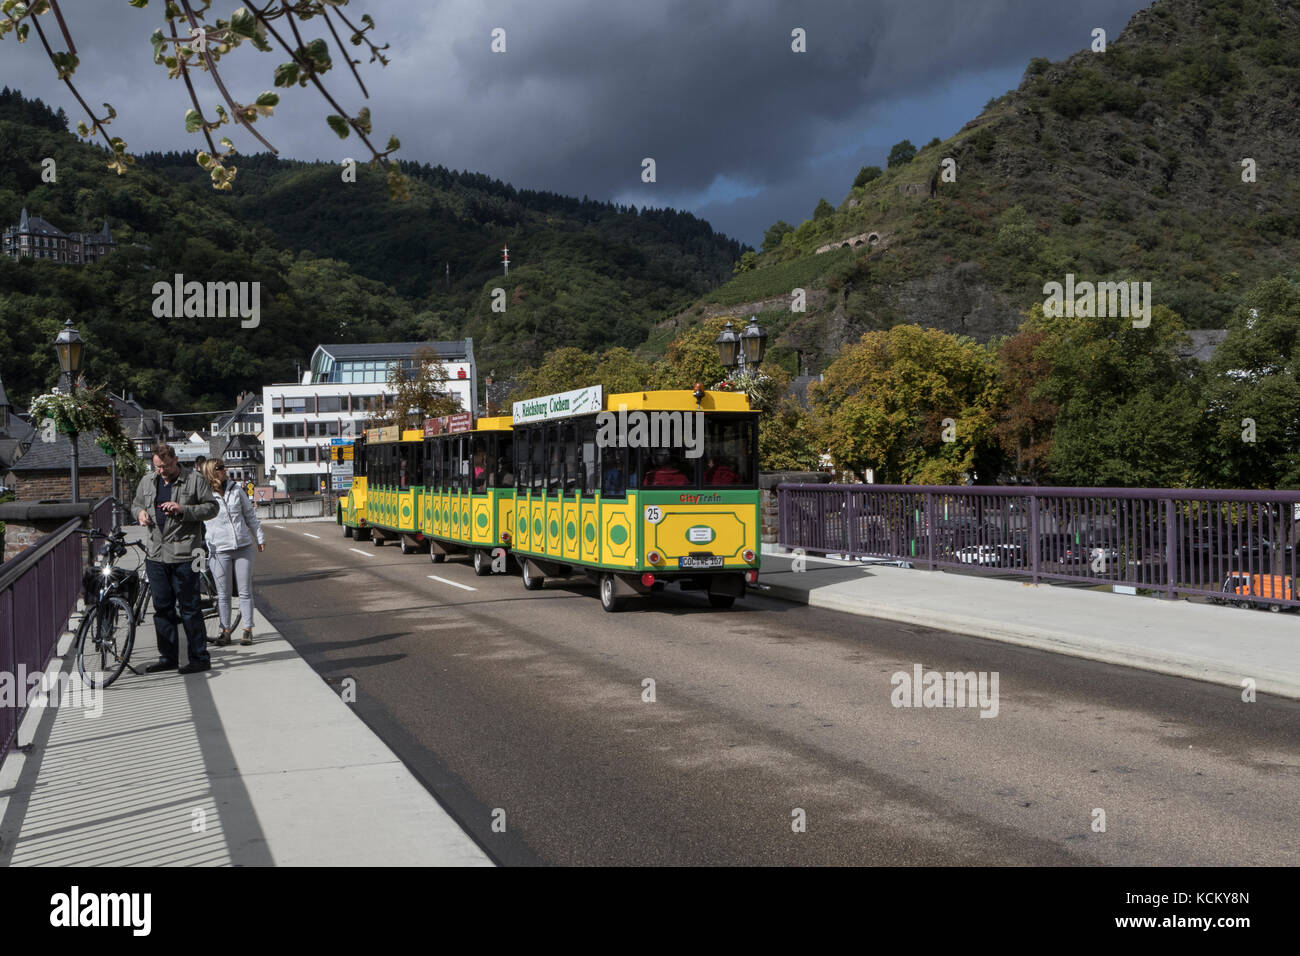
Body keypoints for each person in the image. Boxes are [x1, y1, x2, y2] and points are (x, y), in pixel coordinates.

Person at [131, 442, 218, 674]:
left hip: (185, 555)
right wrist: (139, 513)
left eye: (166, 466)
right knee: (162, 609)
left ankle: (199, 658)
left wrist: (183, 510)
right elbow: (136, 504)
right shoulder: (147, 481)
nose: (162, 471)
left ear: (175, 461)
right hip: (155, 554)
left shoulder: (194, 480)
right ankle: (167, 657)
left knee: (190, 609)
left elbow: (212, 508)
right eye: (158, 466)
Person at [200, 458, 265, 646]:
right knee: (223, 593)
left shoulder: (236, 490)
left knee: (245, 591)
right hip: (218, 550)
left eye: (223, 467)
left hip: (242, 547)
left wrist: (259, 538)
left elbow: (250, 515)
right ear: (212, 472)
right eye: (220, 468)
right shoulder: (205, 495)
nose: (225, 470)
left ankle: (247, 629)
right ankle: (225, 631)